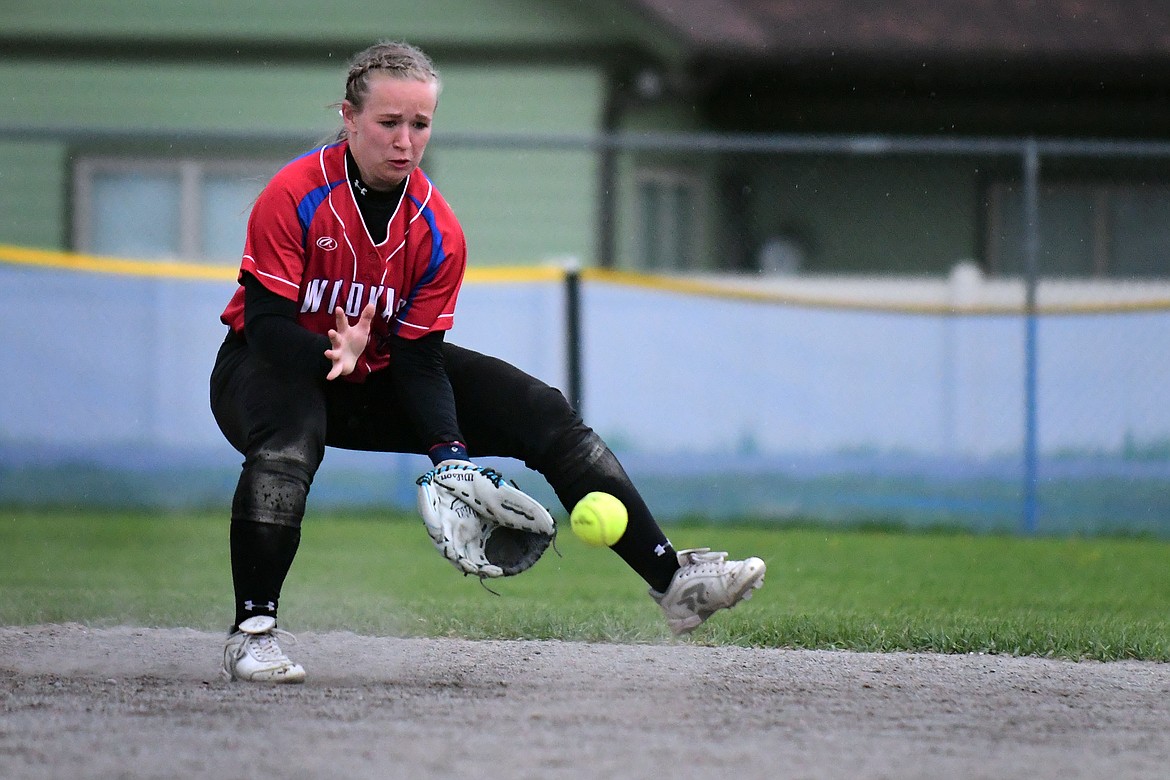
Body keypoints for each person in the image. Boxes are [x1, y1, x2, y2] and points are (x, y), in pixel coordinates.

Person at [210, 40, 766, 684]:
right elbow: (270, 326)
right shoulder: (295, 193)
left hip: (375, 375)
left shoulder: (436, 229)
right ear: (349, 117)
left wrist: (451, 458)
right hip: (264, 369)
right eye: (389, 122)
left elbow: (419, 362)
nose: (405, 140)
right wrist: (333, 351)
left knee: (542, 411)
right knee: (290, 439)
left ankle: (675, 582)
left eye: (419, 124)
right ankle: (253, 632)